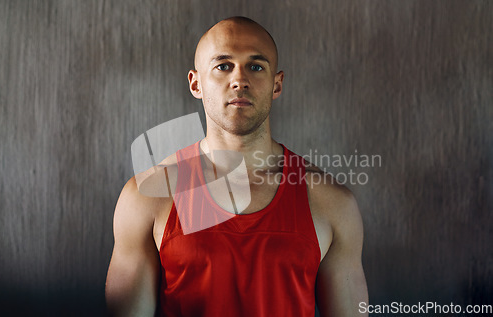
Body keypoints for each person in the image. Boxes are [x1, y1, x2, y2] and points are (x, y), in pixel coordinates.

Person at [106, 16, 368, 316]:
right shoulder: (148, 197)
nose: (239, 79)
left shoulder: (331, 202)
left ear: (276, 84)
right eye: (223, 65)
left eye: (256, 66)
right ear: (196, 83)